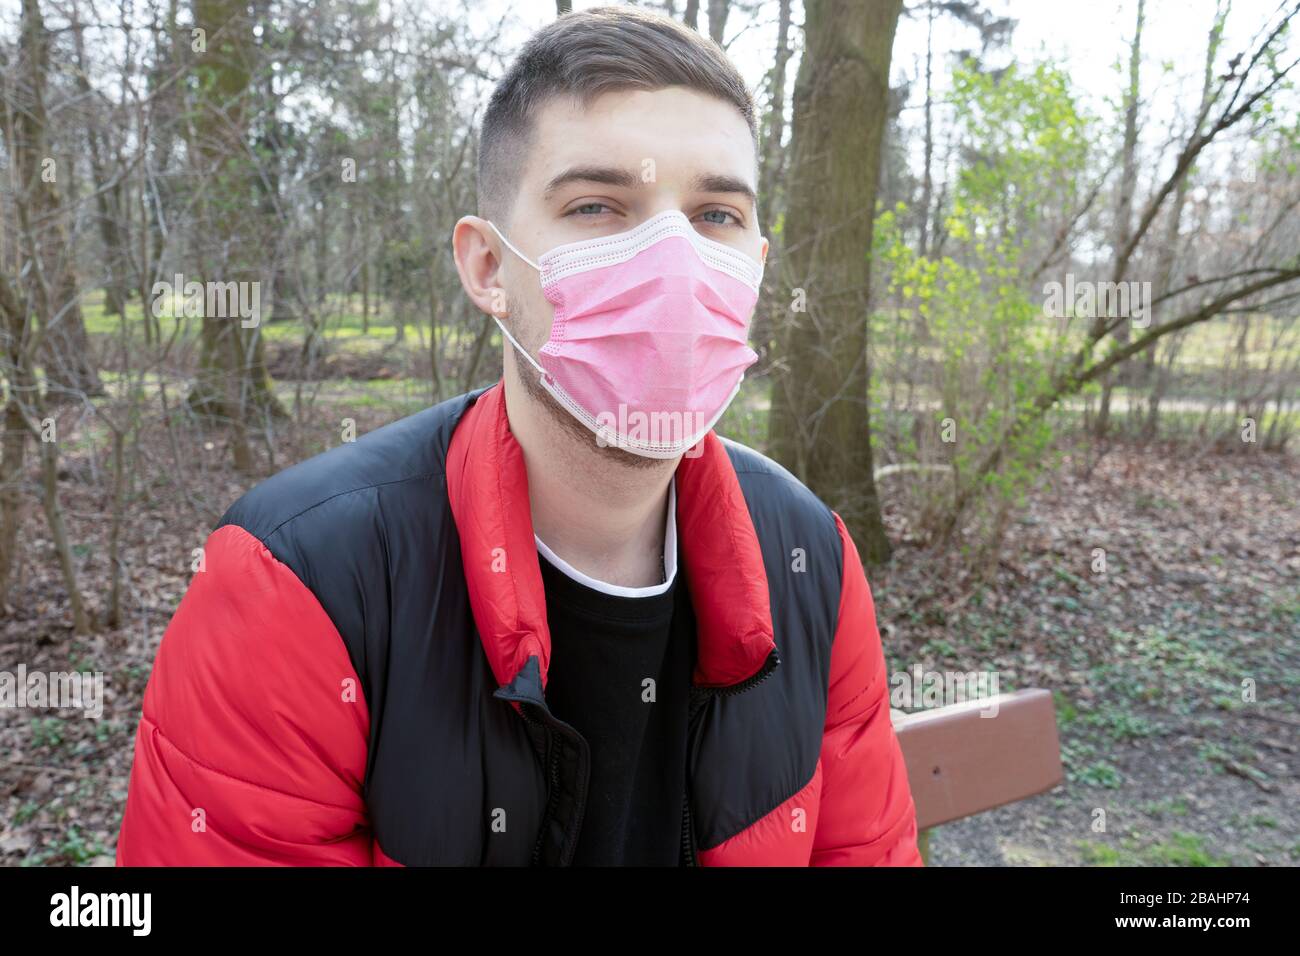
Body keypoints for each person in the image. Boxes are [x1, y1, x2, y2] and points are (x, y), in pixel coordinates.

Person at [115, 5, 921, 867]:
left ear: (758, 265)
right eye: (599, 205)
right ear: (488, 268)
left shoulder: (810, 561)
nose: (673, 260)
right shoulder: (303, 583)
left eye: (716, 214)